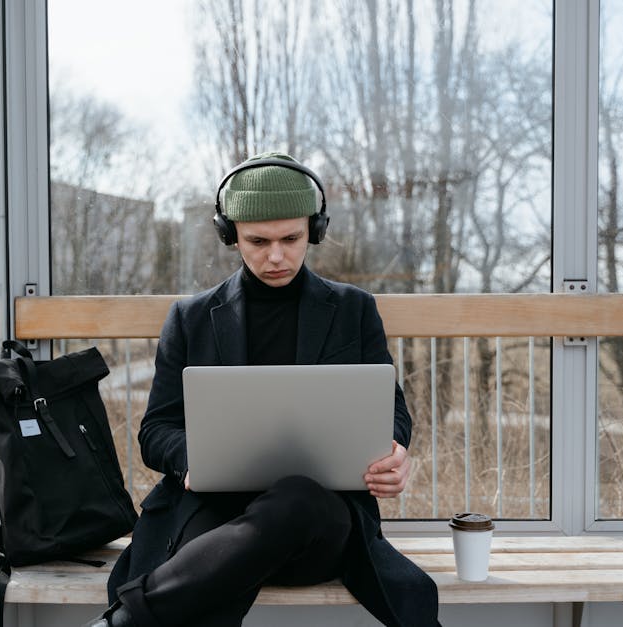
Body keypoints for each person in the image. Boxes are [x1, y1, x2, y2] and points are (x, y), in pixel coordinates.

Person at [84, 152, 440, 627]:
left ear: (314, 229)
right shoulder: (190, 318)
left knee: (295, 501)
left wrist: (394, 453)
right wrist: (194, 459)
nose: (276, 255)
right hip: (217, 514)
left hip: (318, 520)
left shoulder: (354, 310)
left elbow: (390, 410)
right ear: (230, 235)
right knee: (217, 556)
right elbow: (157, 430)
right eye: (258, 241)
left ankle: (125, 622)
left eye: (291, 238)